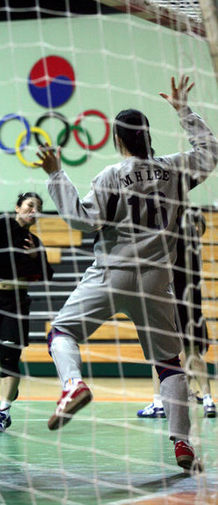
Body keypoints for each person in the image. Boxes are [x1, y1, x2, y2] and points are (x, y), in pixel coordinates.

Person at [36, 75, 218, 471]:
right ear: (147, 135)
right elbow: (211, 152)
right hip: (156, 279)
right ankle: (183, 444)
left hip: (113, 272)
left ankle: (73, 385)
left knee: (60, 332)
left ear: (118, 140)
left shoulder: (110, 176)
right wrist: (184, 110)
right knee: (169, 361)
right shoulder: (176, 168)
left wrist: (55, 174)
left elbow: (81, 220)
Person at [0, 192, 54, 432]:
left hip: (17, 302)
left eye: (37, 208)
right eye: (29, 205)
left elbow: (48, 275)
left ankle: (3, 412)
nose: (33, 211)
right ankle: (11, 388)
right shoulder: (2, 224)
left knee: (9, 359)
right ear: (18, 208)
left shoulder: (34, 242)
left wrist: (35, 257)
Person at [137, 209, 216, 419]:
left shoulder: (168, 241)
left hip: (169, 302)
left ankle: (159, 403)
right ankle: (208, 400)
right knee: (194, 353)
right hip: (192, 306)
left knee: (160, 352)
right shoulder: (193, 247)